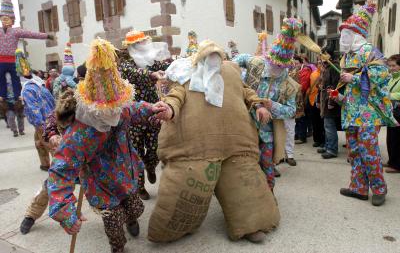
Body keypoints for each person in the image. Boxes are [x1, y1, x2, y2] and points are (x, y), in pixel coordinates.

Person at [148, 39, 279, 243]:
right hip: (196, 148)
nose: (213, 62)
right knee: (186, 192)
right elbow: (176, 96)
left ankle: (250, 225)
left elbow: (246, 92)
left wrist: (258, 106)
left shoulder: (231, 73)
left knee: (245, 186)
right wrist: (168, 110)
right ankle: (177, 228)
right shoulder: (185, 75)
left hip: (235, 144)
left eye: (217, 58)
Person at [47, 39, 164, 253]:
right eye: (110, 109)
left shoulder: (118, 110)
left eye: (118, 107)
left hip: (125, 176)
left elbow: (132, 110)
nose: (115, 113)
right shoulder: (80, 132)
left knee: (136, 208)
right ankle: (118, 247)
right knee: (113, 221)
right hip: (100, 185)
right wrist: (64, 210)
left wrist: (151, 108)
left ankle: (130, 219)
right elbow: (60, 172)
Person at [337, 0, 397, 206]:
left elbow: (382, 74)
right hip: (352, 112)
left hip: (368, 113)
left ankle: (379, 188)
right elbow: (350, 88)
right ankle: (359, 188)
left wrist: (352, 79)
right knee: (354, 151)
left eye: (346, 33)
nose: (342, 37)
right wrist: (339, 96)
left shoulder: (371, 51)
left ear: (356, 34)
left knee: (369, 151)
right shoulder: (347, 56)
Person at [234, 18, 300, 188]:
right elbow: (239, 59)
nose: (275, 69)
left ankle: (268, 197)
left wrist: (273, 106)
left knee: (267, 168)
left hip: (267, 133)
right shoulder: (257, 63)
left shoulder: (288, 85)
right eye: (273, 64)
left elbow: (291, 111)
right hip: (244, 127)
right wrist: (231, 71)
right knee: (243, 168)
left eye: (280, 67)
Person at [119, 31, 171, 200]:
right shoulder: (125, 63)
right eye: (141, 43)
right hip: (133, 114)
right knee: (136, 151)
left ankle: (151, 165)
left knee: (155, 146)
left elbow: (164, 68)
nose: (145, 45)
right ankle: (140, 186)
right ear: (133, 46)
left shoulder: (150, 61)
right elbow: (133, 73)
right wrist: (151, 75)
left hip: (153, 111)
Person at [20, 89, 75, 235]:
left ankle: (128, 216)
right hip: (65, 161)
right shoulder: (55, 114)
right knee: (48, 186)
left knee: (108, 185)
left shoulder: (87, 114)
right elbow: (49, 125)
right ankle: (31, 215)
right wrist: (53, 135)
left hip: (88, 161)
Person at [0, 0, 51, 103]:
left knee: (16, 78)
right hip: (1, 60)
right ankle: (2, 95)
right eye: (3, 18)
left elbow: (32, 34)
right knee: (1, 78)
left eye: (7, 19)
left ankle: (18, 95)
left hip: (13, 60)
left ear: (12, 20)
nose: (5, 21)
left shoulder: (16, 32)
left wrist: (46, 36)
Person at [19, 49, 55, 171]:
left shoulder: (28, 89)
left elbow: (33, 108)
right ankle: (45, 164)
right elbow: (51, 100)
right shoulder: (39, 84)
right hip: (48, 118)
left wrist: (40, 123)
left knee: (48, 143)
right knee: (39, 142)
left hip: (42, 120)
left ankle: (58, 166)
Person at [317, 46, 341, 159]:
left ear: (329, 54)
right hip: (324, 98)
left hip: (330, 100)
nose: (321, 56)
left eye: (323, 54)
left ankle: (332, 149)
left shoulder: (334, 67)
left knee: (329, 125)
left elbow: (336, 85)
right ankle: (327, 146)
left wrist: (331, 101)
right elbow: (323, 84)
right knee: (326, 125)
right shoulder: (326, 67)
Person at [385, 54, 400, 173]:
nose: (391, 68)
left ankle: (397, 165)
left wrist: (390, 96)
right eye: (389, 66)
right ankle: (391, 161)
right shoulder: (392, 78)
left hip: (398, 112)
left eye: (394, 66)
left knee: (396, 139)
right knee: (390, 138)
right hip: (392, 112)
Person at [295, 56, 312, 144]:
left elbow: (303, 86)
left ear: (301, 63)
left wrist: (295, 89)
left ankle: (302, 137)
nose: (295, 65)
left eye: (297, 63)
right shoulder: (297, 70)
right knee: (297, 117)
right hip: (297, 96)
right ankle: (297, 134)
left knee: (302, 117)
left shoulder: (305, 70)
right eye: (294, 63)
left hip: (302, 97)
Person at [309, 60, 325, 148]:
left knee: (321, 122)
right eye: (318, 62)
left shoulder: (324, 73)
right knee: (315, 122)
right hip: (312, 100)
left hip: (321, 100)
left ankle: (323, 140)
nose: (320, 64)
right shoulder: (313, 73)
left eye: (321, 62)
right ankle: (316, 140)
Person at [4, 72, 24, 137]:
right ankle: (14, 131)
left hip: (18, 101)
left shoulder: (17, 82)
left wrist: (22, 96)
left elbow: (22, 89)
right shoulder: (2, 84)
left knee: (20, 117)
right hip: (8, 102)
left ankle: (21, 130)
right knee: (10, 117)